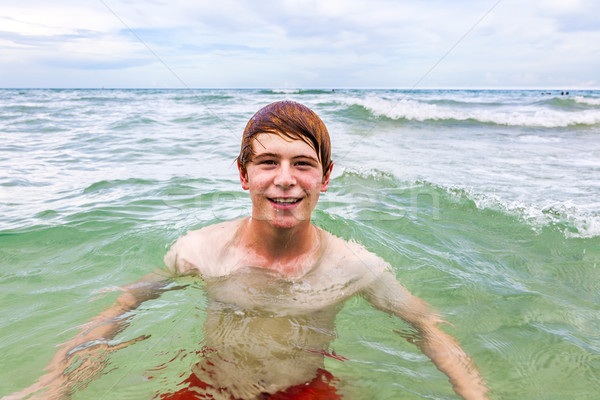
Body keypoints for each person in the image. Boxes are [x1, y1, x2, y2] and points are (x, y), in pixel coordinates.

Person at [4, 101, 489, 400]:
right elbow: (125, 304)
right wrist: (59, 380)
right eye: (267, 162)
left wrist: (473, 393)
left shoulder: (355, 266)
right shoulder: (201, 251)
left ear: (325, 177)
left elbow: (425, 325)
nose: (284, 179)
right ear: (243, 175)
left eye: (302, 163)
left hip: (306, 390)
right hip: (210, 386)